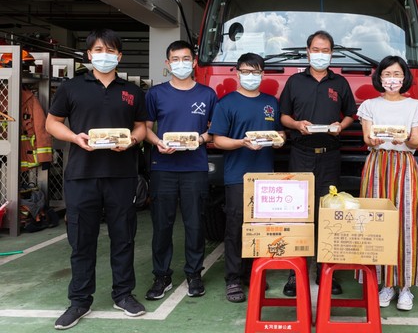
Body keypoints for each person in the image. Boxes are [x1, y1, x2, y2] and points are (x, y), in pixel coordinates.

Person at [46, 29, 148, 330]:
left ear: (119, 56)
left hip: (121, 175)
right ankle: (79, 300)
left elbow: (141, 127)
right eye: (98, 50)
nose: (105, 55)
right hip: (81, 175)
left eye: (111, 50)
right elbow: (52, 123)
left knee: (123, 237)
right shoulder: (71, 87)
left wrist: (131, 140)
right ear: (89, 55)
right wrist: (75, 139)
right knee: (81, 240)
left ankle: (123, 294)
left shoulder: (131, 91)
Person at [279, 30, 357, 296]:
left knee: (329, 213)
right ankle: (294, 274)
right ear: (308, 50)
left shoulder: (341, 83)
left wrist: (341, 125)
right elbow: (284, 117)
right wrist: (297, 125)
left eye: (326, 50)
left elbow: (351, 114)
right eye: (316, 49)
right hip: (300, 153)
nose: (320, 54)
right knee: (298, 214)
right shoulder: (295, 81)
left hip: (331, 155)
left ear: (331, 53)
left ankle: (327, 273)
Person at [143, 40, 217, 301]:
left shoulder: (207, 94)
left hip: (194, 167)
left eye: (186, 58)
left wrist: (200, 139)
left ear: (194, 62)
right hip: (163, 166)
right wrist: (157, 143)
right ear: (168, 63)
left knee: (195, 224)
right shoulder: (155, 94)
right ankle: (161, 276)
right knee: (162, 224)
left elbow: (214, 131)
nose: (181, 63)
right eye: (176, 59)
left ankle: (194, 273)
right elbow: (146, 129)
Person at [208, 52, 284, 302]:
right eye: (246, 71)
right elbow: (218, 139)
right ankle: (233, 278)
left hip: (266, 177)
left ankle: (256, 273)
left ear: (263, 74)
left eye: (256, 72)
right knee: (236, 228)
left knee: (261, 229)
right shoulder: (226, 103)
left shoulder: (271, 102)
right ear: (237, 73)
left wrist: (278, 141)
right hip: (237, 176)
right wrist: (242, 142)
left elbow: (279, 134)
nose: (251, 76)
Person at [358, 55, 418, 311]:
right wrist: (374, 141)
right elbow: (368, 137)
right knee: (376, 222)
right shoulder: (369, 105)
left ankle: (405, 287)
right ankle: (384, 283)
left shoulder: (415, 106)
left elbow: (417, 141)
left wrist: (405, 141)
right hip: (377, 163)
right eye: (387, 74)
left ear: (404, 77)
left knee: (406, 223)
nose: (392, 79)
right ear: (379, 77)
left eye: (396, 74)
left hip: (404, 165)